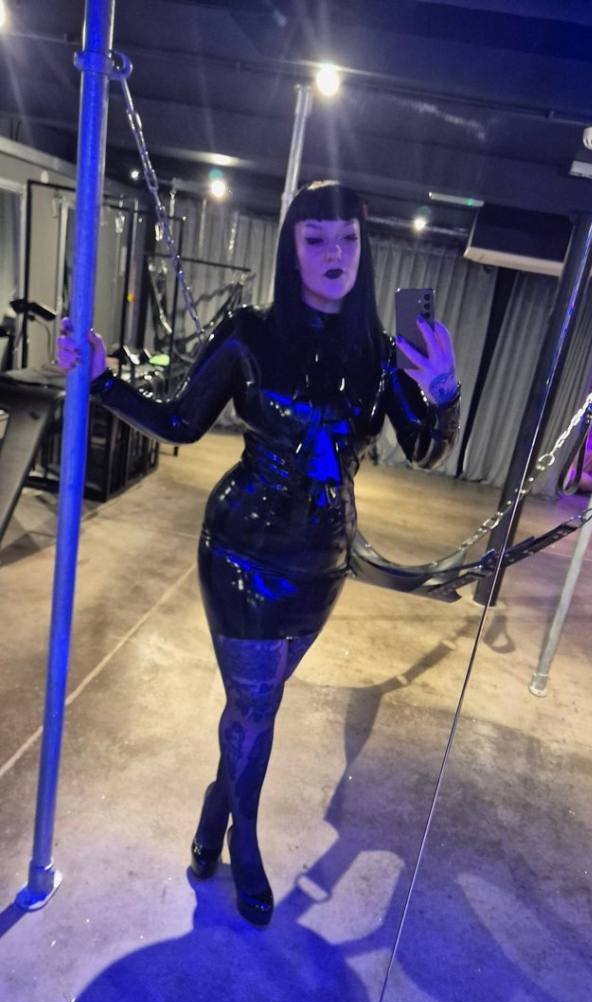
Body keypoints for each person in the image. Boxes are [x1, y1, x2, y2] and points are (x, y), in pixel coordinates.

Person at [57, 181, 460, 926]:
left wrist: (442, 391)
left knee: (254, 707)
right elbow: (181, 421)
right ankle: (243, 845)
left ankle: (215, 810)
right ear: (291, 248)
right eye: (316, 238)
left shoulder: (381, 353)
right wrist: (103, 380)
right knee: (256, 705)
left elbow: (425, 451)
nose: (334, 253)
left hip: (323, 563)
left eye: (347, 239)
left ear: (364, 250)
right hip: (241, 552)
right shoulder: (249, 334)